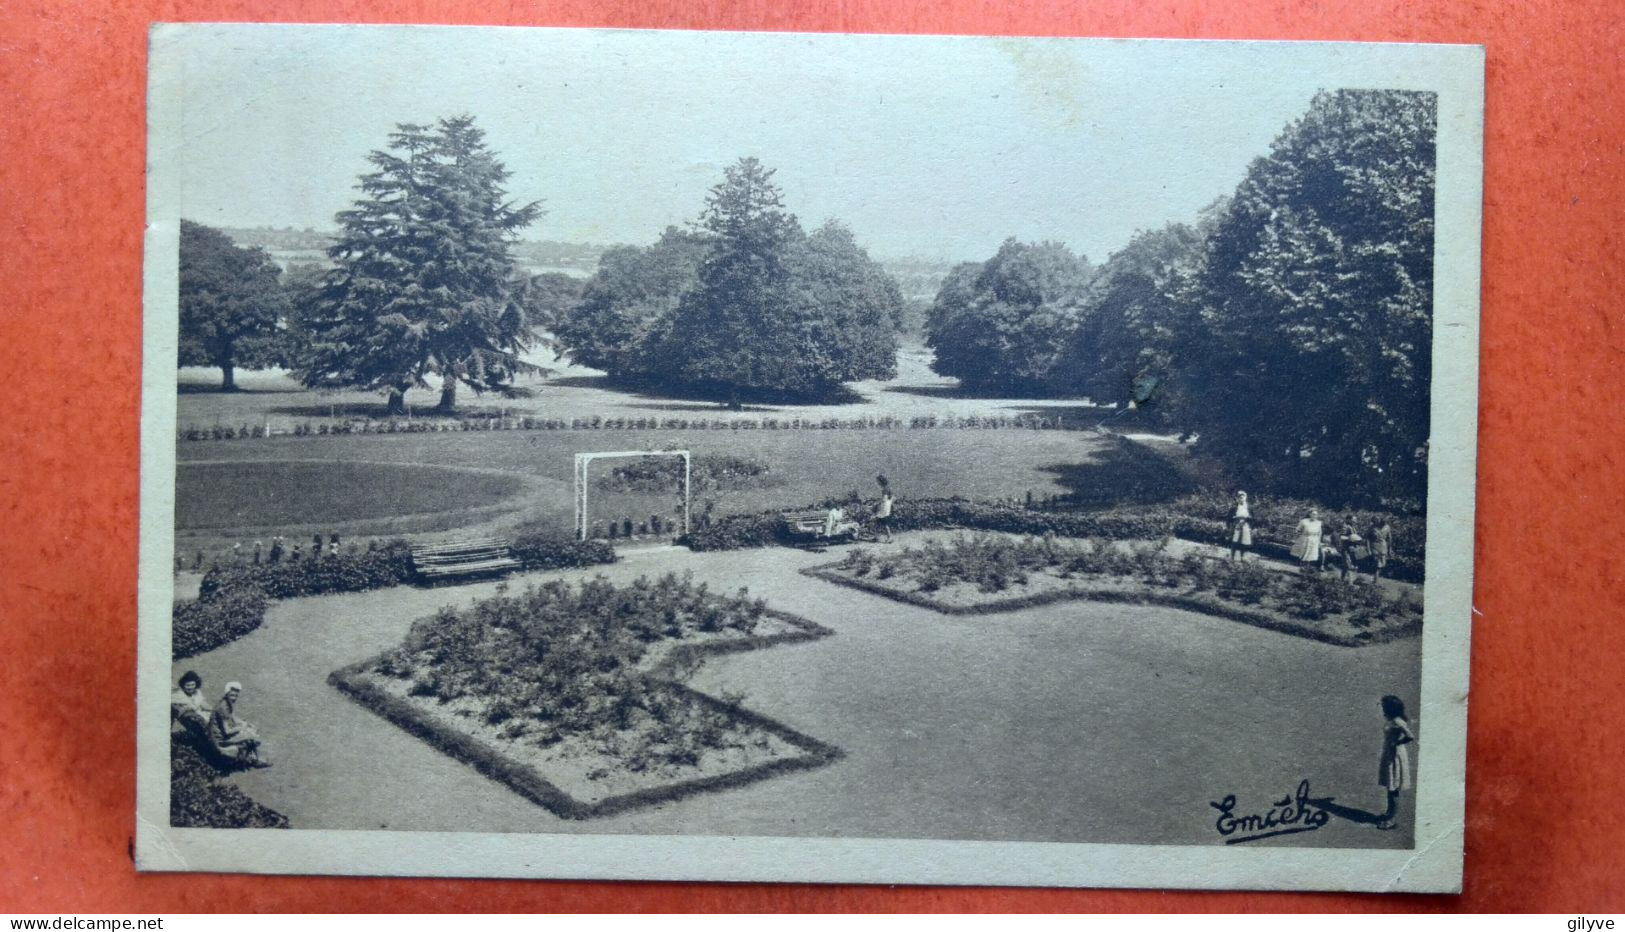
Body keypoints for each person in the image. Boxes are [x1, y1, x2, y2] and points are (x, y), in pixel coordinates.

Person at [1376, 695, 1416, 830]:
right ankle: (1389, 812)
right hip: (1389, 754)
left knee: (1393, 789)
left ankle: (1391, 819)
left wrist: (1397, 742)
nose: (1381, 708)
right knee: (1390, 786)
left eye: (1383, 706)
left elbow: (1410, 736)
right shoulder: (1391, 720)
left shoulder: (1398, 722)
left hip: (1395, 756)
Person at [210, 682, 269, 768]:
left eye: (236, 696)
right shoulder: (222, 708)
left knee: (251, 729)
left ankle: (254, 758)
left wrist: (245, 724)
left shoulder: (226, 703)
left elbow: (233, 718)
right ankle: (256, 760)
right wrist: (242, 727)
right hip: (220, 739)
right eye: (232, 695)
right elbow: (227, 731)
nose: (234, 698)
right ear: (227, 693)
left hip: (223, 735)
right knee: (251, 735)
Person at [1227, 491, 1253, 561]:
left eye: (1243, 497)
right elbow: (1229, 518)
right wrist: (1235, 518)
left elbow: (1252, 517)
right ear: (1237, 498)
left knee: (1244, 542)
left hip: (1245, 526)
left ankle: (1242, 558)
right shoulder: (1234, 508)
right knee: (1234, 542)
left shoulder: (1248, 508)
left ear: (1245, 498)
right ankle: (1232, 557)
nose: (1241, 499)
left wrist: (1248, 519)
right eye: (1239, 497)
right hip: (1236, 525)